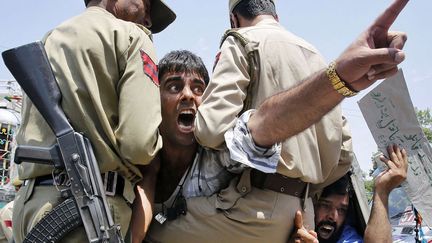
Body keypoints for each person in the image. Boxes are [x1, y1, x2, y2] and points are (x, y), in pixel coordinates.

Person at [11, 0, 176, 242]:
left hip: (31, 206)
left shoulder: (49, 39)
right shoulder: (133, 37)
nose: (148, 20)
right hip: (88, 213)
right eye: (146, 5)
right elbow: (139, 146)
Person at [291, 144, 408, 243]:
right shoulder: (288, 227)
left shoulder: (346, 236)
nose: (333, 216)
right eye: (325, 205)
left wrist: (382, 192)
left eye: (342, 209)